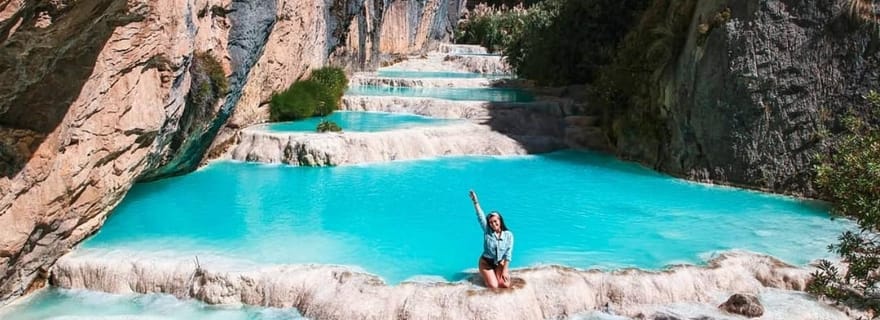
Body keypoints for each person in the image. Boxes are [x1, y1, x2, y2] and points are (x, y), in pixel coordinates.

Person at [469, 190, 514, 289]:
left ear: (500, 221)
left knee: (505, 285)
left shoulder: (509, 235)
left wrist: (505, 270)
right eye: (491, 222)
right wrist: (475, 202)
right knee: (494, 286)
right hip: (486, 263)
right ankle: (486, 275)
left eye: (495, 221)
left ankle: (495, 273)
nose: (493, 224)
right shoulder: (487, 231)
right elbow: (480, 216)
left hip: (499, 263)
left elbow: (508, 254)